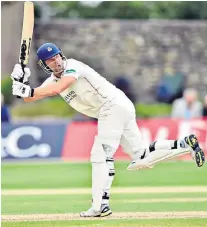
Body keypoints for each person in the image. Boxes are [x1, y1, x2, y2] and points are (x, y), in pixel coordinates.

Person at [11, 43, 205, 217]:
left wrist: (29, 90)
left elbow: (57, 88)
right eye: (50, 61)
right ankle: (185, 144)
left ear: (62, 55)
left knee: (100, 155)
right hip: (118, 107)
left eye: (57, 57)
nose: (56, 62)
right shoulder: (51, 81)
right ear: (45, 66)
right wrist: (20, 83)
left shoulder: (73, 67)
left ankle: (99, 205)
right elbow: (30, 97)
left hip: (112, 106)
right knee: (141, 158)